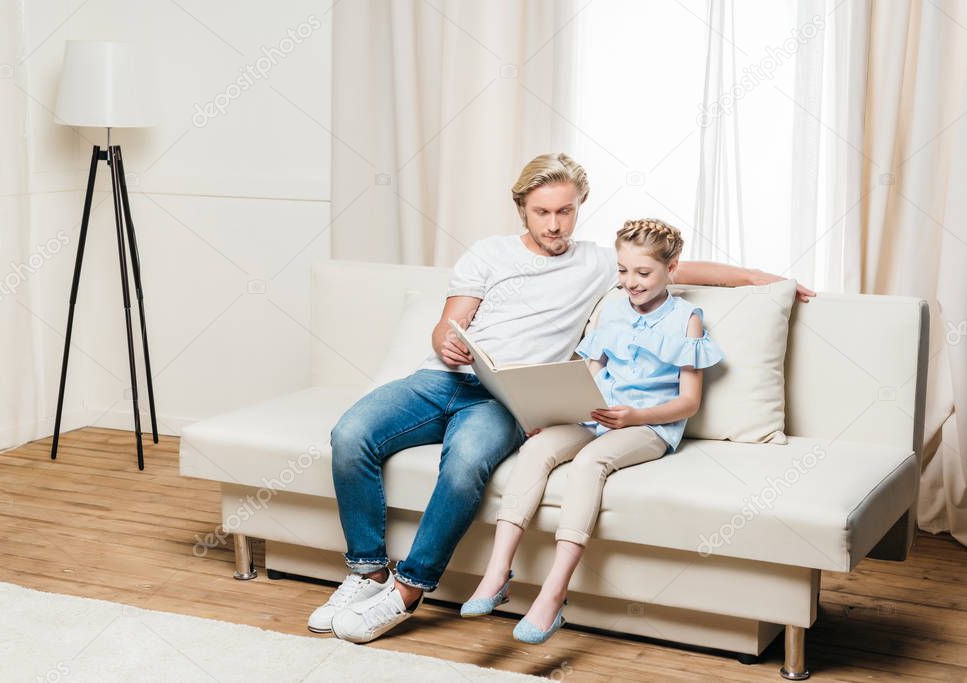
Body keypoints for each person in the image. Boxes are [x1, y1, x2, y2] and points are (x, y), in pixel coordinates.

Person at [313, 153, 814, 644]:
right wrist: (445, 337)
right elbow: (450, 321)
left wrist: (762, 280)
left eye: (565, 211)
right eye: (542, 212)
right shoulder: (488, 253)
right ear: (522, 211)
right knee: (351, 433)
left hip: (504, 401)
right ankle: (368, 571)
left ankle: (407, 591)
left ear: (579, 207)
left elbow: (678, 269)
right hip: (442, 379)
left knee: (465, 466)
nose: (555, 225)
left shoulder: (600, 264)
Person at [461, 218, 722, 644]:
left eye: (643, 273)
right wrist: (558, 409)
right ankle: (496, 573)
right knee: (538, 448)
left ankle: (553, 592)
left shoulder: (686, 318)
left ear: (671, 268)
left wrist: (635, 417)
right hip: (596, 416)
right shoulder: (613, 306)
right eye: (622, 270)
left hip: (648, 426)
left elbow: (688, 401)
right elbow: (592, 372)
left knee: (589, 464)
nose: (630, 282)